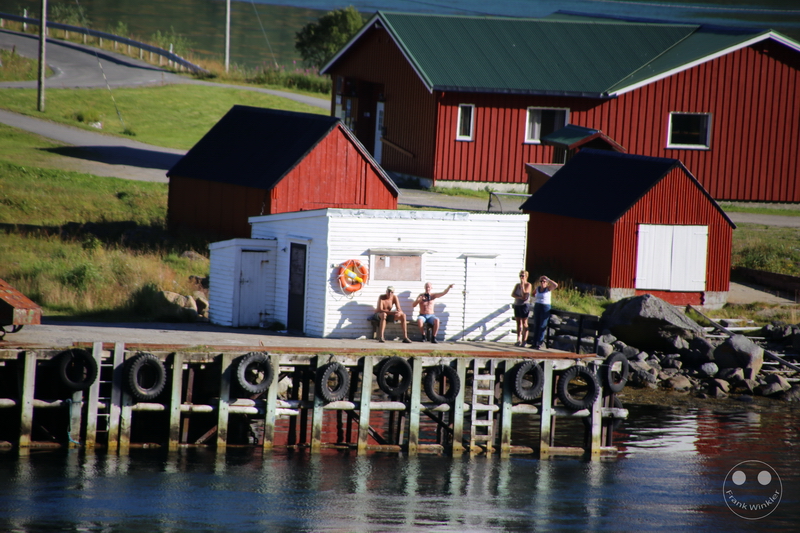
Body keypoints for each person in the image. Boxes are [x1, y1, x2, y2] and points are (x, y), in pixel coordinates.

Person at [530, 275, 558, 349]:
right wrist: (534, 299)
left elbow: (555, 285)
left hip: (545, 306)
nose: (542, 283)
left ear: (546, 283)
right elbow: (533, 294)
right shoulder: (538, 288)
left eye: (544, 281)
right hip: (538, 306)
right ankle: (534, 343)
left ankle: (539, 343)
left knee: (542, 325)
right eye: (541, 281)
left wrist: (548, 279)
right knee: (537, 324)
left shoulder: (548, 289)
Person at [511, 270, 532, 347]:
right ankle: (518, 339)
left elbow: (525, 295)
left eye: (523, 276)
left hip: (524, 305)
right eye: (520, 276)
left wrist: (523, 285)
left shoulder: (528, 285)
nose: (521, 277)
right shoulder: (517, 285)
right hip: (517, 304)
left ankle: (524, 340)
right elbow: (513, 294)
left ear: (526, 276)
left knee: (524, 323)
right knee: (518, 322)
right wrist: (519, 297)